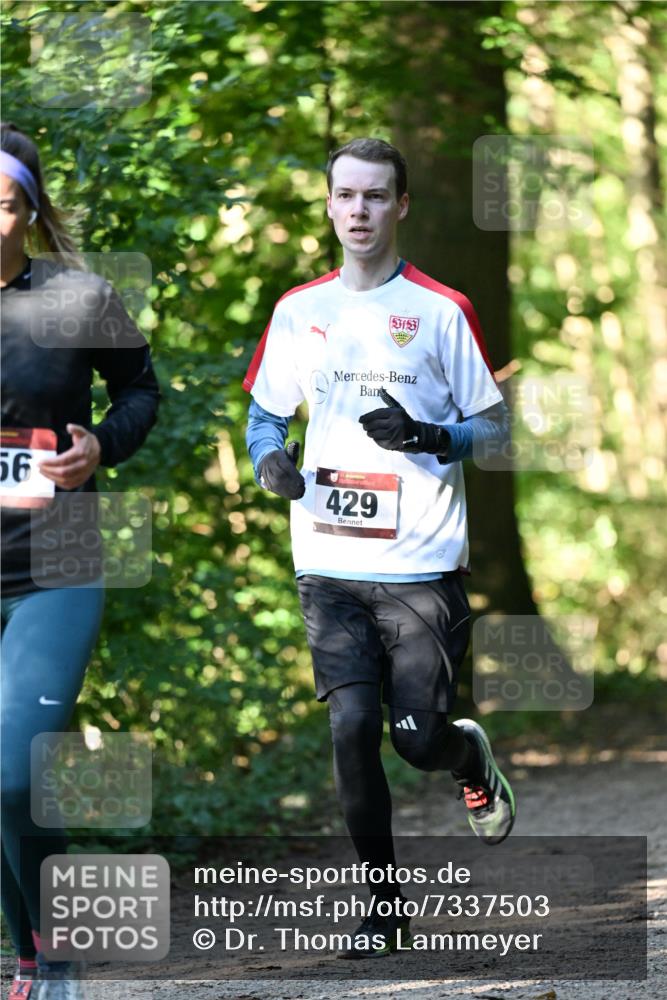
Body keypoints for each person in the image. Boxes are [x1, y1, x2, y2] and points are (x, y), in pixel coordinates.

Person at [244, 137, 515, 958]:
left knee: (415, 739)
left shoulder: (440, 308)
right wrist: (270, 463)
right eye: (345, 195)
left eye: (374, 196)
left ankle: (464, 755)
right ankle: (384, 907)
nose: (358, 210)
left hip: (419, 564)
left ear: (399, 206)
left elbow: (494, 428)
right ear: (327, 204)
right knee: (350, 727)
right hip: (327, 560)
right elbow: (265, 416)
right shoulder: (299, 310)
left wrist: (429, 435)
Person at [1, 123, 160, 998]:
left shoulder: (79, 297)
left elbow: (141, 391)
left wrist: (100, 443)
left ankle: (56, 954)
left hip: (53, 565)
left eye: (3, 205)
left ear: (29, 213)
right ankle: (33, 955)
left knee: (13, 771)